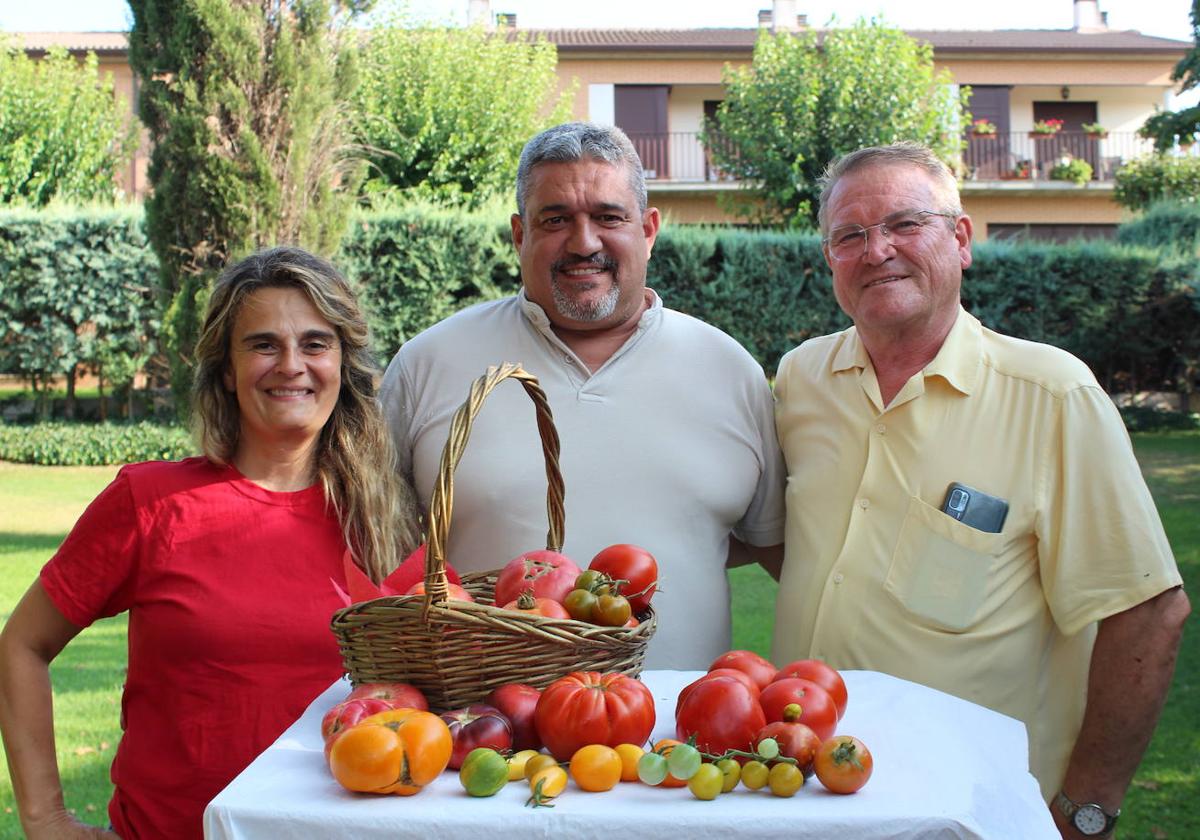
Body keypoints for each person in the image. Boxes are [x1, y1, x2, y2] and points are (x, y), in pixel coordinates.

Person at [771, 142, 1189, 837]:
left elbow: (1148, 613)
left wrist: (1085, 810)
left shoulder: (1053, 397)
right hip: (806, 795)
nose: (877, 251)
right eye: (850, 235)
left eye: (905, 224)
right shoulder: (801, 380)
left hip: (973, 813)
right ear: (829, 260)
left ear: (960, 239)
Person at [0, 247, 422, 839]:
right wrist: (45, 820)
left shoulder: (388, 521)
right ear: (226, 368)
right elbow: (21, 645)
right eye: (263, 344)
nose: (292, 365)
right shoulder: (149, 502)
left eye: (315, 343)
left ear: (343, 362)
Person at [380, 122, 785, 669]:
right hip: (481, 733)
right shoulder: (427, 365)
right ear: (519, 235)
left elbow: (768, 542)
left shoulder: (730, 370)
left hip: (682, 736)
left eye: (608, 216)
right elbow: (376, 549)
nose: (584, 242)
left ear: (648, 229)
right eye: (556, 220)